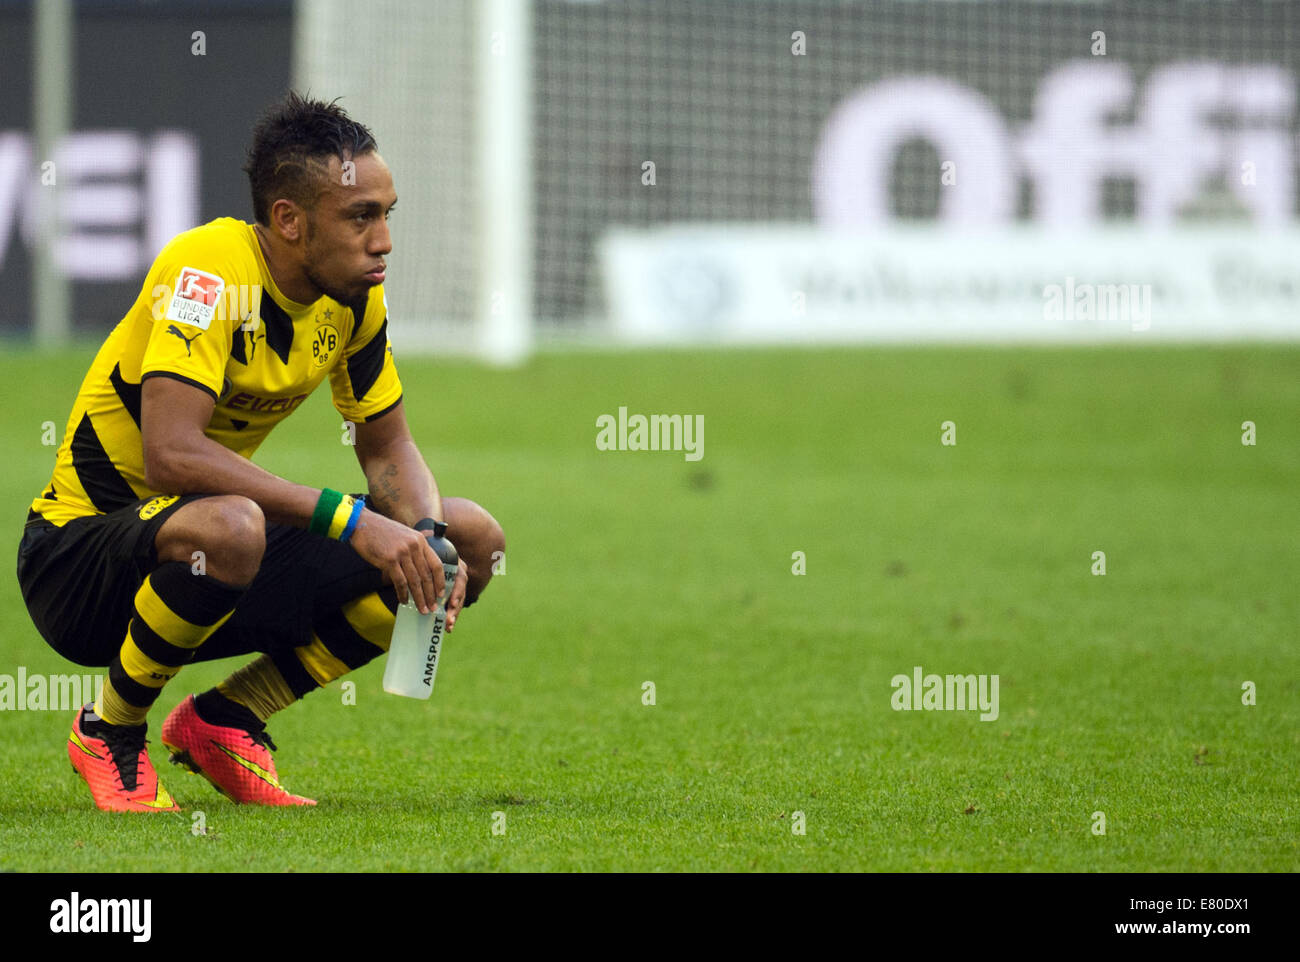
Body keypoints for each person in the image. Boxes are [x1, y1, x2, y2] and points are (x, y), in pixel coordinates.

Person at [15, 91, 504, 811]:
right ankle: (108, 731)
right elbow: (172, 459)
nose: (384, 241)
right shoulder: (206, 273)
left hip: (210, 554)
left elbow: (389, 444)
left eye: (387, 215)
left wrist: (425, 537)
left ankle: (226, 719)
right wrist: (355, 522)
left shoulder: (356, 297)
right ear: (289, 220)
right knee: (233, 524)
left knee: (470, 537)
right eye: (361, 217)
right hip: (78, 561)